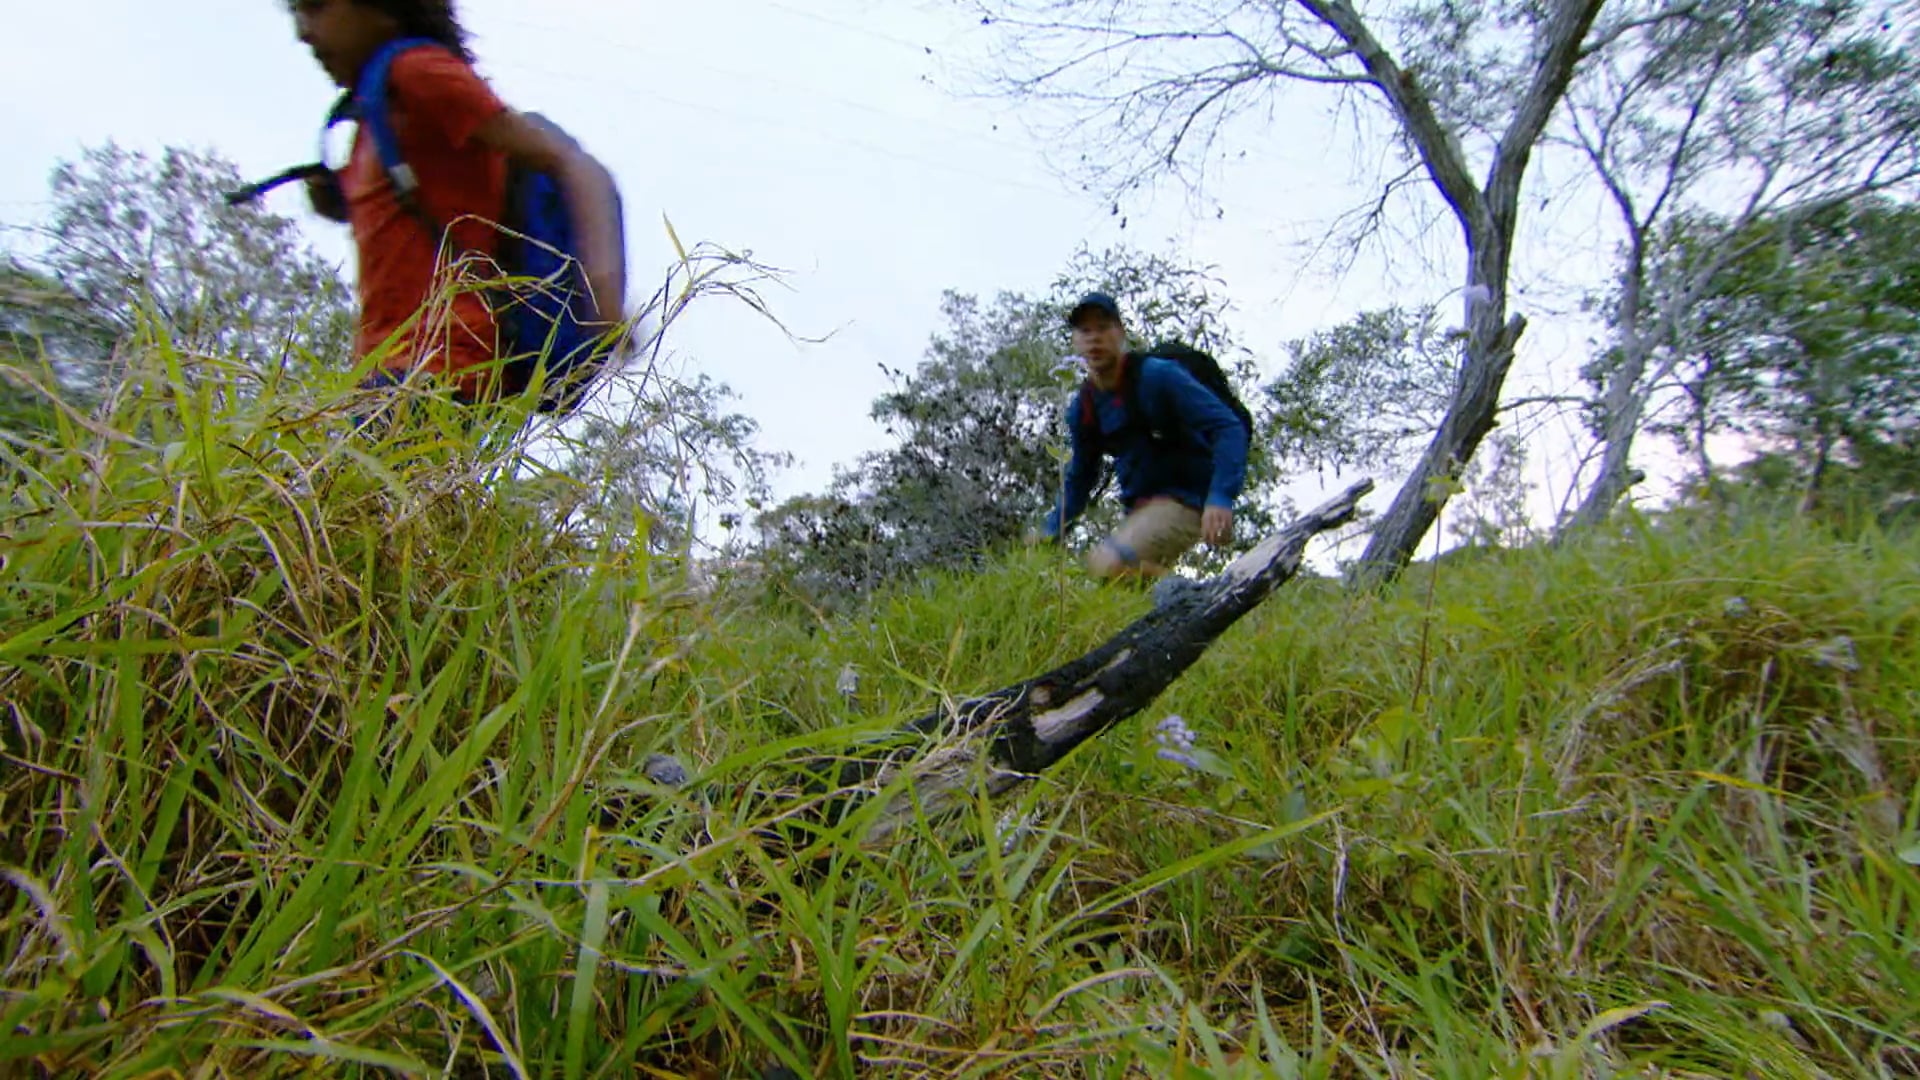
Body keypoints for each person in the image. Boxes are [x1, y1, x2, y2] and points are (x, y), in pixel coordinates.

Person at [289, 0, 624, 404]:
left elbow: (570, 163)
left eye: (316, 6)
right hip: (389, 370)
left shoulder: (418, 72)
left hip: (438, 369)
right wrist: (337, 200)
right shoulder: (374, 110)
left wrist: (603, 296)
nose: (303, 31)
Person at [1034, 292, 1250, 579]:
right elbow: (1080, 480)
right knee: (1114, 585)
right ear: (1075, 340)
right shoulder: (1084, 407)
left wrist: (1221, 496)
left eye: (1103, 327)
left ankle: (1205, 599)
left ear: (1120, 333)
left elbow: (1228, 426)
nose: (1094, 338)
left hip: (1186, 499)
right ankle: (1188, 602)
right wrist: (1049, 532)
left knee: (1107, 563)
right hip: (1140, 509)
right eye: (1085, 330)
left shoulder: (1157, 376)